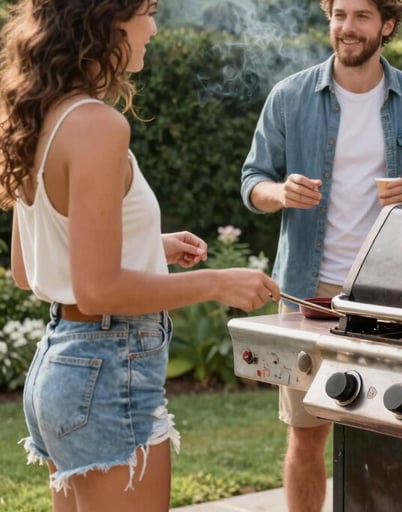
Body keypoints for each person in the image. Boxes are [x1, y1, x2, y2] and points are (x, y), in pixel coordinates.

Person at [0, 1, 281, 511]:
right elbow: (99, 289)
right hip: (106, 371)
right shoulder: (96, 125)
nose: (153, 27)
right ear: (104, 20)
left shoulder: (40, 115)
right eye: (147, 12)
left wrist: (151, 247)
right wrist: (218, 283)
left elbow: (31, 268)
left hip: (61, 365)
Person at [240, 0, 402, 509]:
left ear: (387, 24)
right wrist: (280, 193)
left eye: (361, 16)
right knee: (307, 437)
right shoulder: (290, 96)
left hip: (387, 301)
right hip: (308, 296)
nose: (347, 27)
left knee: (392, 437)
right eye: (339, 14)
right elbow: (252, 182)